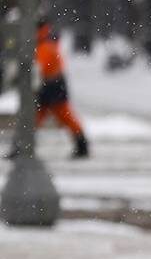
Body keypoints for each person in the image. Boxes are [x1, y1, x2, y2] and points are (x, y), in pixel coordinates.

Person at [5, 21, 89, 159]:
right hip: (52, 87)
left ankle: (21, 147)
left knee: (37, 118)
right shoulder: (44, 44)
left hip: (51, 87)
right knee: (54, 117)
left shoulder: (44, 47)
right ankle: (81, 144)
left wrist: (21, 76)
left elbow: (38, 69)